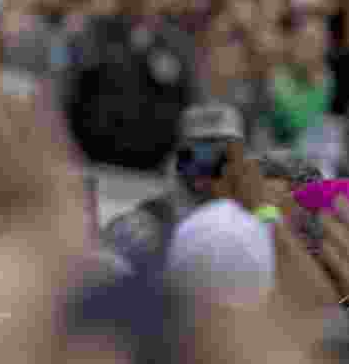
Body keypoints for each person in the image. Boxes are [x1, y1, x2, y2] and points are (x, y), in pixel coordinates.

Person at [101, 103, 247, 267]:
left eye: (229, 151)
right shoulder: (146, 227)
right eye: (204, 151)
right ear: (181, 158)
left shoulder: (255, 220)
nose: (219, 163)